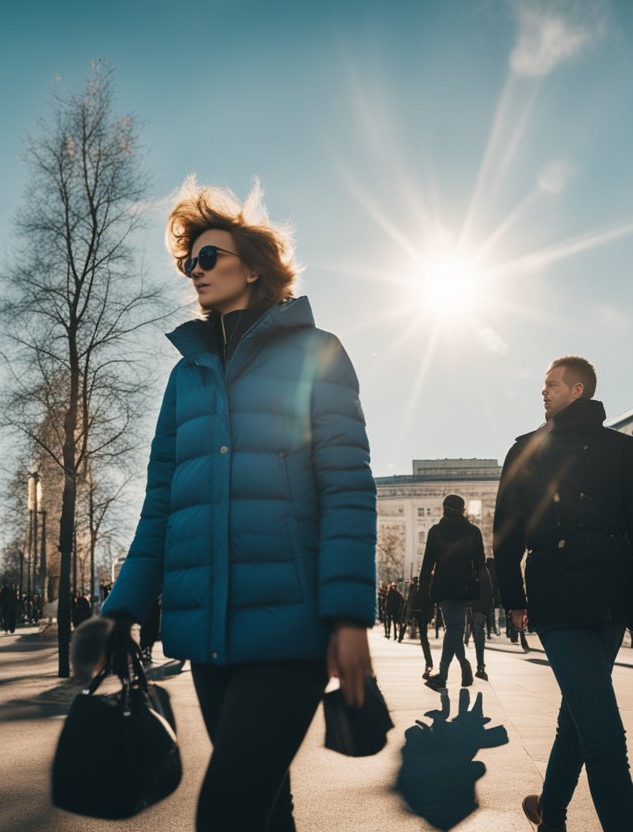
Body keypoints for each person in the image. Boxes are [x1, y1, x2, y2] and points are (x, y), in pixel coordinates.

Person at [97, 180, 376, 832]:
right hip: (210, 640)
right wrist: (125, 608)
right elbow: (161, 502)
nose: (194, 271)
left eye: (208, 257)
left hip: (291, 631)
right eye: (187, 262)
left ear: (253, 266)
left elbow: (346, 485)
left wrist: (347, 616)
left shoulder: (317, 353)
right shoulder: (184, 376)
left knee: (224, 813)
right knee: (265, 810)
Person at [494, 355, 633, 832]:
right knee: (604, 736)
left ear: (577, 390)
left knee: (577, 716)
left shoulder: (622, 449)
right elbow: (507, 533)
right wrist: (514, 599)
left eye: (552, 385)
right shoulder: (525, 449)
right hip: (557, 604)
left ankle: (551, 813)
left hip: (608, 602)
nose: (543, 392)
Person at [419, 494, 487, 691]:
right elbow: (481, 564)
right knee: (455, 627)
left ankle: (445, 673)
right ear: (463, 510)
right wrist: (485, 591)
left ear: (444, 509)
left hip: (443, 587)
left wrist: (424, 590)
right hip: (464, 586)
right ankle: (459, 664)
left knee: (453, 627)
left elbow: (427, 565)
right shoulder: (473, 532)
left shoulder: (435, 531)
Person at [468, 557, 495, 681]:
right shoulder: (484, 569)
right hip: (479, 607)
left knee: (461, 633)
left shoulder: (468, 567)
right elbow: (489, 590)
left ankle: (467, 666)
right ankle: (480, 666)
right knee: (479, 633)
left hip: (471, 606)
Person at [405, 575, 435, 676]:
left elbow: (410, 600)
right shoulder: (429, 582)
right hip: (425, 611)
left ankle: (429, 662)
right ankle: (429, 662)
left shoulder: (415, 585)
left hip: (419, 611)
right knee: (423, 635)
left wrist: (408, 615)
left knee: (423, 637)